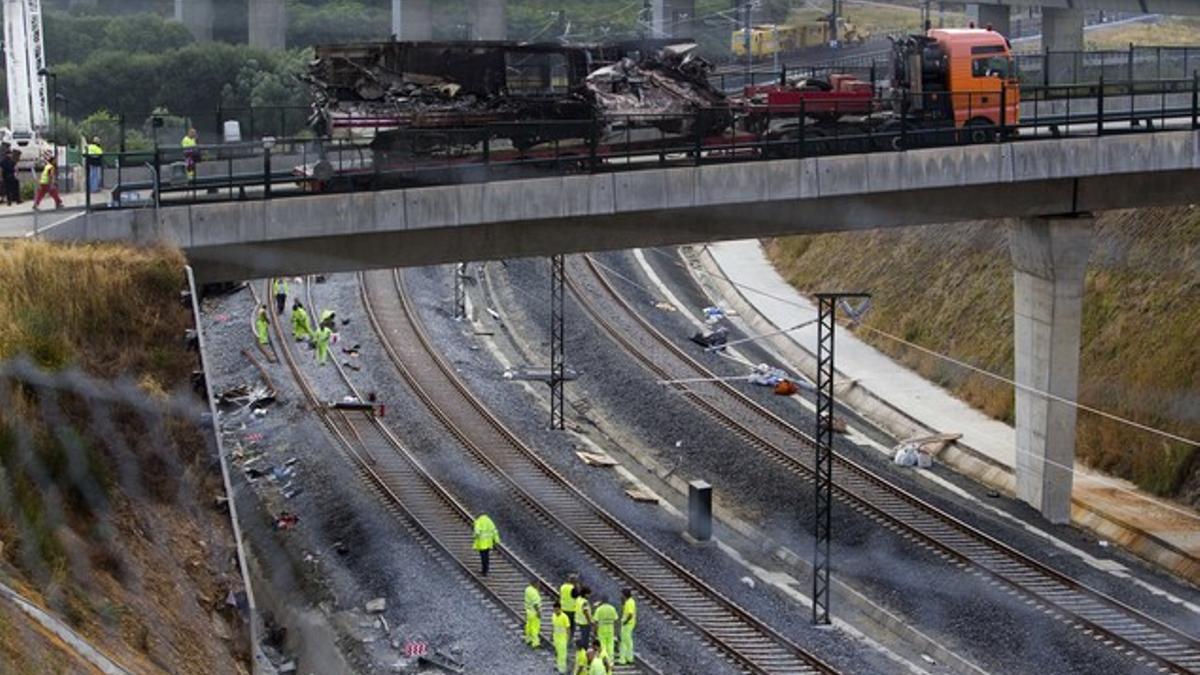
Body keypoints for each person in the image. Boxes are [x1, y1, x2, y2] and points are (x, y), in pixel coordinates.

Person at [592, 595, 618, 664]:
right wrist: (616, 631)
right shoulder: (612, 608)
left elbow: (595, 621)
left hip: (602, 629)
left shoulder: (599, 609)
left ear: (602, 601)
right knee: (610, 644)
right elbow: (615, 620)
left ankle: (604, 660)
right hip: (610, 629)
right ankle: (611, 661)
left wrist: (594, 631)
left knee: (602, 644)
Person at [618, 588, 636, 665]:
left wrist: (625, 622)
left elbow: (630, 614)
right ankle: (629, 658)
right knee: (628, 641)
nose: (621, 595)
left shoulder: (629, 603)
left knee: (624, 641)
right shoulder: (629, 601)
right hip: (629, 624)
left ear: (625, 595)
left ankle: (623, 659)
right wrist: (623, 603)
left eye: (622, 594)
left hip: (627, 624)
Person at [552, 601, 570, 674]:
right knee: (557, 652)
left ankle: (562, 669)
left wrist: (568, 638)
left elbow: (568, 628)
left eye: (556, 610)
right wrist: (551, 635)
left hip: (563, 638)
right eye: (554, 610)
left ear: (560, 609)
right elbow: (553, 626)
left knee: (562, 654)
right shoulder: (553, 615)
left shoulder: (564, 617)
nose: (555, 611)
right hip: (556, 637)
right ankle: (558, 665)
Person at [560, 574, 579, 643]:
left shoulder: (563, 587)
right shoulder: (573, 588)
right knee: (571, 627)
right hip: (571, 610)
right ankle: (569, 641)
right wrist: (577, 587)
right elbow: (577, 597)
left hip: (563, 608)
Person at [573, 586, 593, 650]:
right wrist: (590, 622)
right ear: (586, 594)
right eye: (589, 594)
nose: (590, 596)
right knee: (585, 638)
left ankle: (581, 648)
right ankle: (584, 650)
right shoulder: (585, 602)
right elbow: (585, 612)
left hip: (579, 620)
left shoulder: (578, 599)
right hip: (585, 622)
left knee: (582, 635)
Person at [523, 582, 541, 649]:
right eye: (538, 584)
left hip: (528, 611)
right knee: (535, 628)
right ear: (535, 584)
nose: (539, 585)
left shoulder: (528, 589)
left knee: (529, 625)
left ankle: (528, 639)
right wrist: (538, 612)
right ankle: (535, 643)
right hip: (534, 612)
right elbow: (535, 604)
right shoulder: (534, 593)